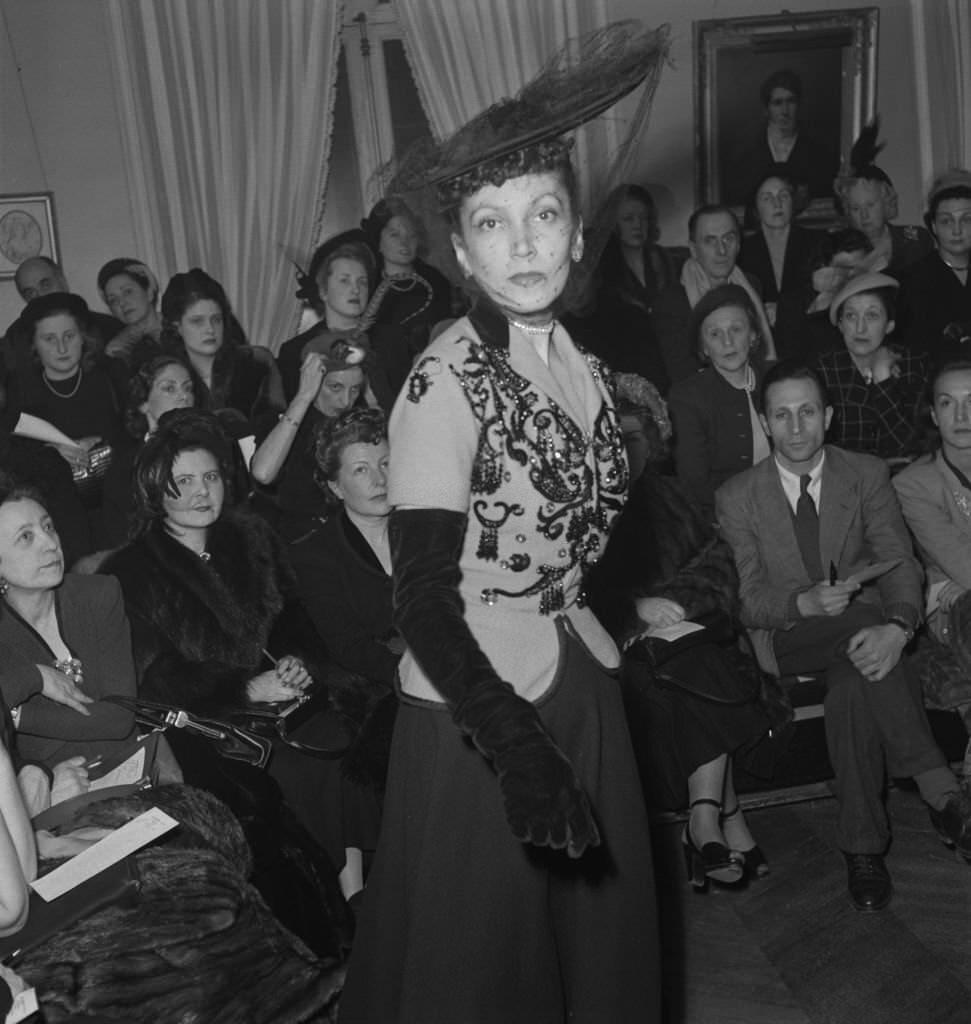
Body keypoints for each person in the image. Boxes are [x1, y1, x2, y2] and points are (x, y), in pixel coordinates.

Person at [340, 22, 664, 1023]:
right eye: (491, 222)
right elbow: (422, 596)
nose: (522, 243)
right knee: (482, 982)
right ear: (464, 250)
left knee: (597, 957)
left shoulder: (575, 356)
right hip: (478, 714)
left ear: (576, 231)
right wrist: (516, 747)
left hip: (574, 675)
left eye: (542, 215)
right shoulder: (441, 382)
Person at [716, 360, 971, 912]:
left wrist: (900, 626)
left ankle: (863, 851)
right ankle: (941, 791)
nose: (796, 426)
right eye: (781, 415)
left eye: (807, 411)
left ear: (828, 416)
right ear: (765, 423)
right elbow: (744, 601)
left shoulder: (866, 473)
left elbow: (900, 562)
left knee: (856, 684)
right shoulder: (738, 495)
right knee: (863, 632)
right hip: (785, 636)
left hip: (864, 637)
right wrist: (800, 602)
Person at [101, 409, 379, 899]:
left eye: (209, 476)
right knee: (297, 772)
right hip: (211, 726)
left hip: (287, 707)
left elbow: (297, 617)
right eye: (182, 481)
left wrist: (299, 662)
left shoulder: (250, 536)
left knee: (349, 735)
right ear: (153, 491)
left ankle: (359, 889)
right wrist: (245, 689)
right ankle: (336, 900)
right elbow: (153, 677)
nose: (201, 491)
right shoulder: (131, 571)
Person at [587, 373, 769, 888]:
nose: (625, 451)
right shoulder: (579, 509)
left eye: (635, 439)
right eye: (614, 440)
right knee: (698, 676)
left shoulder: (673, 496)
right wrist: (634, 608)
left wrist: (679, 602)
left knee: (697, 666)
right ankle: (721, 817)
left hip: (688, 640)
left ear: (653, 441)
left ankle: (706, 820)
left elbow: (720, 562)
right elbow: (572, 593)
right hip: (618, 658)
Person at [0, 474, 137, 770]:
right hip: (50, 793)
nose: (50, 543)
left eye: (48, 526)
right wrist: (34, 677)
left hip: (129, 771)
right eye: (26, 537)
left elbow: (120, 718)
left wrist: (16, 716)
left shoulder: (98, 594)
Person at [893, 357, 971, 776]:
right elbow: (962, 561)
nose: (961, 415)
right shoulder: (914, 483)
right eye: (947, 402)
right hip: (952, 617)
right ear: (933, 413)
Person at [290, 406, 398, 687]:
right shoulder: (315, 554)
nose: (381, 480)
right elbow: (349, 648)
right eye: (361, 470)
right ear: (336, 487)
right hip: (375, 694)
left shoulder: (427, 529)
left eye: (385, 463)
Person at [252, 336, 371, 542]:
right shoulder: (280, 425)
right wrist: (303, 396)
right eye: (335, 387)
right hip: (296, 542)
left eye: (354, 390)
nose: (345, 401)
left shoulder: (361, 428)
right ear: (312, 382)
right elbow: (263, 473)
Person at [668, 284, 771, 520]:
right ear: (703, 346)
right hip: (724, 519)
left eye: (736, 329)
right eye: (714, 334)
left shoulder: (776, 381)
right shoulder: (687, 398)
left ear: (753, 335)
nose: (727, 342)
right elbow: (696, 485)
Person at [277, 233, 404, 410]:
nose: (356, 290)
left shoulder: (390, 340)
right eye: (345, 281)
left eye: (362, 282)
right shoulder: (294, 351)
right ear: (323, 291)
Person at [652, 204, 776, 385]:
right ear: (693, 249)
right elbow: (681, 374)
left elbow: (759, 351)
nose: (722, 250)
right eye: (710, 241)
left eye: (728, 239)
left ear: (739, 244)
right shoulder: (671, 301)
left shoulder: (751, 286)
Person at [158, 268, 283, 440]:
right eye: (197, 321)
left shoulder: (256, 362)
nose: (210, 329)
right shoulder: (165, 375)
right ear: (176, 326)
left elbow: (279, 427)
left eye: (216, 319)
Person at [816, 272, 925, 462]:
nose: (860, 328)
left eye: (872, 316)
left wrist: (883, 379)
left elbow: (909, 445)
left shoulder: (911, 364)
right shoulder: (823, 371)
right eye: (851, 316)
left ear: (889, 325)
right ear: (840, 324)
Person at [96, 353, 198, 550]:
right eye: (169, 388)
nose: (184, 396)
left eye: (188, 388)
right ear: (144, 403)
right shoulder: (127, 470)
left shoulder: (210, 453)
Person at [584, 183, 673, 389]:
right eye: (628, 219)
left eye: (643, 218)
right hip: (627, 359)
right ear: (613, 224)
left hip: (666, 349)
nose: (638, 225)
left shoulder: (661, 258)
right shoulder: (604, 267)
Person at [834, 118, 934, 277]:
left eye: (871, 205)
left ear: (886, 203)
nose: (864, 216)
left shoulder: (915, 242)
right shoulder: (838, 248)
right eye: (856, 208)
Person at [725, 69, 837, 208]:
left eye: (791, 101)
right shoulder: (746, 155)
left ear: (799, 105)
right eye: (777, 103)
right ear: (766, 110)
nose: (785, 111)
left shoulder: (819, 154)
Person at [359, 197, 454, 355]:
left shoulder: (437, 283)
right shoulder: (367, 287)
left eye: (411, 235)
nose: (404, 242)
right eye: (395, 235)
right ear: (378, 240)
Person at [897, 169, 971, 359]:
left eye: (966, 219)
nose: (957, 230)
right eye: (946, 221)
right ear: (934, 226)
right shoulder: (913, 280)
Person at [737, 165, 822, 320]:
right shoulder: (742, 250)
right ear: (756, 206)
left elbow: (823, 296)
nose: (777, 204)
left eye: (783, 196)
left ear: (793, 202)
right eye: (767, 198)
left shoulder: (818, 242)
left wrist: (784, 310)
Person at [96, 257, 164, 363]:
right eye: (113, 300)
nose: (122, 303)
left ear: (149, 292)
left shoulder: (182, 328)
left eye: (128, 292)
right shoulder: (116, 350)